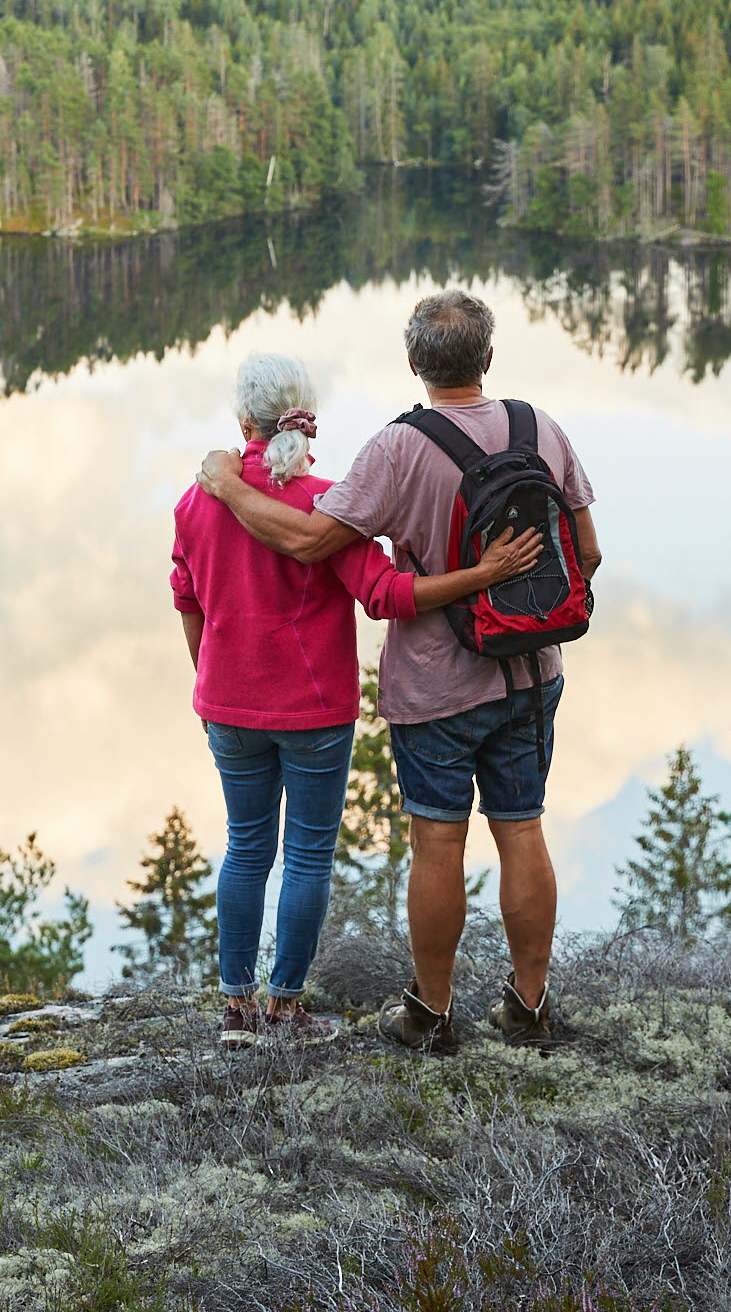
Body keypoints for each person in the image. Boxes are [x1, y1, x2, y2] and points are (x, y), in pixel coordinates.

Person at [198, 293, 600, 1055]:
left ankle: (432, 1014)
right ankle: (529, 1005)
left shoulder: (397, 448)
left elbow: (314, 542)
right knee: (521, 829)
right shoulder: (540, 428)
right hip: (530, 671)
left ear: (415, 362)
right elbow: (587, 548)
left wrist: (226, 486)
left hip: (435, 687)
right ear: (487, 356)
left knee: (438, 843)